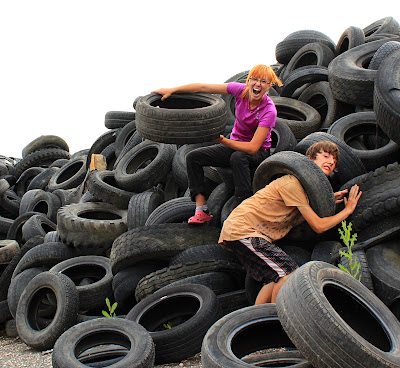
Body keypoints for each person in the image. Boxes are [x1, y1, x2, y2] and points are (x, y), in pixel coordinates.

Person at [218, 141, 362, 305]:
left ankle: (257, 319)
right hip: (244, 230)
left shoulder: (302, 192)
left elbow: (307, 208)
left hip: (246, 232)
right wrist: (347, 210)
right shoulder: (292, 183)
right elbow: (319, 226)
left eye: (334, 161)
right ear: (308, 160)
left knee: (272, 279)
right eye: (326, 156)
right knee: (288, 272)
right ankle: (275, 319)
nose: (330, 162)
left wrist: (328, 199)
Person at [154, 64, 283, 224]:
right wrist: (173, 90)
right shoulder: (240, 90)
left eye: (263, 81)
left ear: (269, 85)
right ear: (248, 81)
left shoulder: (269, 110)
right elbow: (204, 87)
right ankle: (201, 210)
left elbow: (252, 148)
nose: (257, 84)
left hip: (258, 151)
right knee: (193, 157)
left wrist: (223, 141)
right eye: (254, 79)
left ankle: (245, 207)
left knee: (237, 157)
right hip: (234, 143)